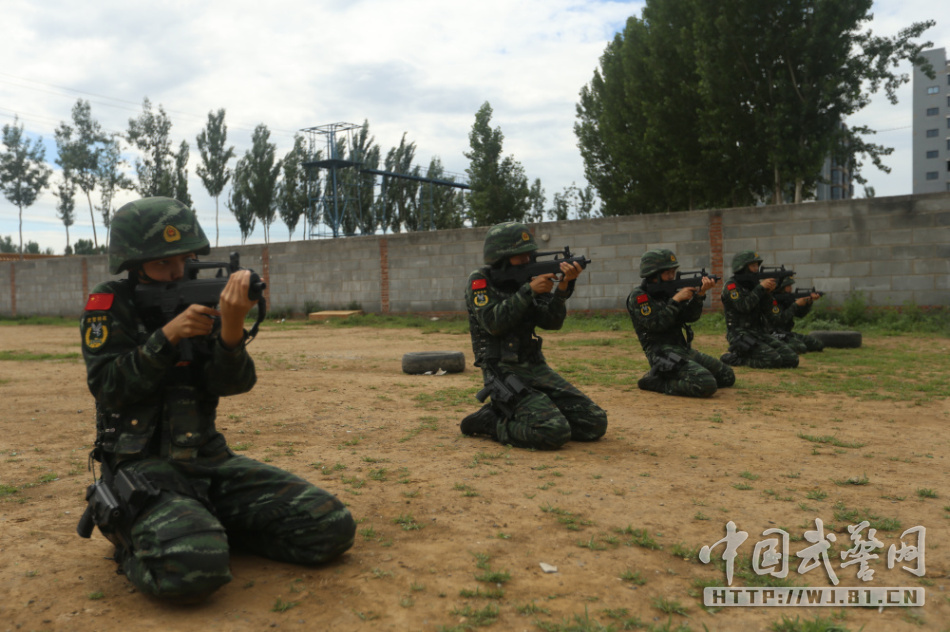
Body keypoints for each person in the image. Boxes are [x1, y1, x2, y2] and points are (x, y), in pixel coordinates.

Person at [78, 197, 355, 602]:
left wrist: (231, 330)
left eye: (185, 259)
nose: (176, 272)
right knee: (194, 568)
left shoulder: (202, 302)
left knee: (330, 526)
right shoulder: (109, 304)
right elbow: (109, 386)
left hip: (208, 461)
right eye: (162, 265)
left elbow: (235, 384)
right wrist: (168, 336)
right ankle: (129, 538)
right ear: (133, 265)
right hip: (141, 469)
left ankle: (205, 527)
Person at [459, 222, 608, 450]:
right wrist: (528, 291)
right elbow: (492, 323)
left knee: (594, 422)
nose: (527, 260)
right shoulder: (480, 281)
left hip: (535, 367)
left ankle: (528, 411)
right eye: (521, 256)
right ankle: (492, 422)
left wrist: (562, 289)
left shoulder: (526, 279)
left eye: (529, 254)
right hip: (504, 371)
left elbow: (551, 322)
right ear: (502, 256)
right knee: (553, 431)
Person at [626, 249, 735, 397]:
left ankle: (675, 375)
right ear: (653, 274)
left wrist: (700, 295)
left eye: (673, 271)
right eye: (667, 273)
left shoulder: (668, 292)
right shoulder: (640, 297)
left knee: (727, 375)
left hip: (682, 350)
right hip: (662, 354)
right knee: (706, 384)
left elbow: (690, 317)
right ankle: (656, 382)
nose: (672, 276)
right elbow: (656, 324)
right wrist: (675, 300)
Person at [720, 250, 799, 368]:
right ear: (742, 267)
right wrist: (760, 288)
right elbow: (744, 306)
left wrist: (767, 293)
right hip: (740, 334)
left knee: (791, 359)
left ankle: (746, 355)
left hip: (758, 332)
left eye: (757, 265)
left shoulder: (755, 286)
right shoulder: (732, 286)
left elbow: (771, 315)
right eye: (753, 266)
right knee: (774, 360)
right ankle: (737, 358)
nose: (756, 268)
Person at [771, 277, 825, 354]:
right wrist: (795, 305)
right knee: (800, 347)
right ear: (780, 288)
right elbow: (780, 320)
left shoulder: (786, 300)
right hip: (775, 334)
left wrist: (808, 303)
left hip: (786, 334)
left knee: (818, 344)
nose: (791, 288)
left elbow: (800, 314)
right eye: (788, 286)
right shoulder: (773, 302)